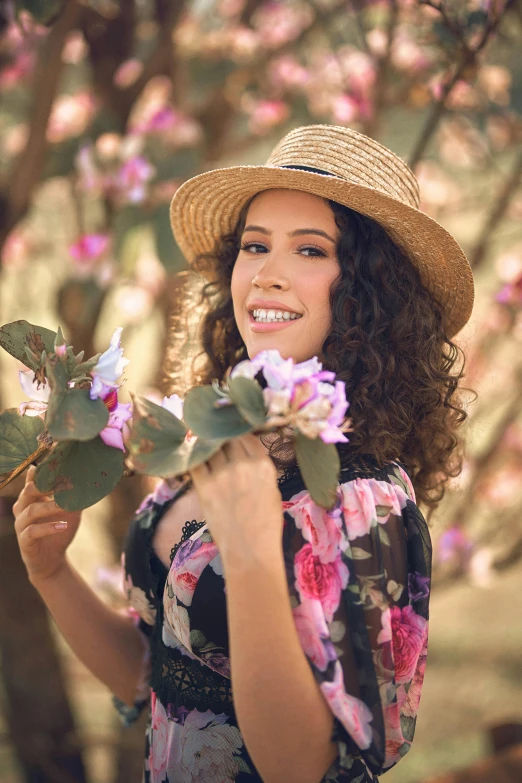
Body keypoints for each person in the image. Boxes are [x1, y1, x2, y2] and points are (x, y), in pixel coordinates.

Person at [13, 124, 474, 783]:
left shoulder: (362, 501)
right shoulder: (220, 441)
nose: (267, 273)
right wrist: (52, 572)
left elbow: (301, 767)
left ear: (370, 293)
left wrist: (256, 548)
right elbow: (162, 680)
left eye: (309, 250)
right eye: (254, 245)